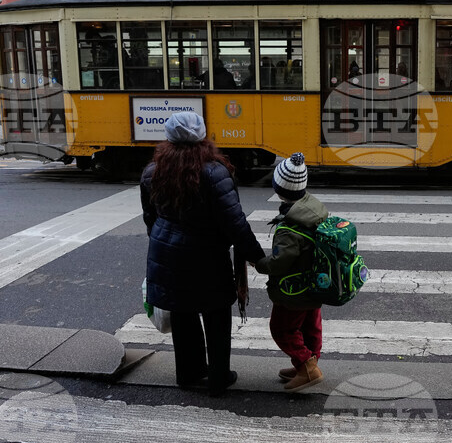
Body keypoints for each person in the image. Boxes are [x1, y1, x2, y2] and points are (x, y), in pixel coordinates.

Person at [140, 112, 265, 395]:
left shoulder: (152, 171)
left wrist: (164, 245)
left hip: (166, 254)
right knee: (216, 316)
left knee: (182, 315)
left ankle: (188, 373)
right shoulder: (214, 172)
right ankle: (219, 377)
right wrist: (257, 257)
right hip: (207, 257)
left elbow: (150, 218)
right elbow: (235, 223)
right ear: (203, 138)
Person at [254, 153, 328, 392]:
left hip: (293, 289)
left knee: (282, 328)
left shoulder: (290, 227)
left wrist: (259, 264)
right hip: (314, 284)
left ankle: (307, 367)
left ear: (278, 187)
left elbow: (279, 262)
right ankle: (306, 362)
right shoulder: (313, 210)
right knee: (310, 326)